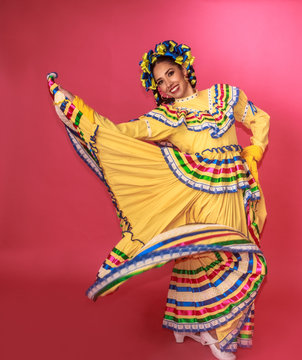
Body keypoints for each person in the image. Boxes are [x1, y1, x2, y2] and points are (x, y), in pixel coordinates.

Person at [47, 40, 270, 360]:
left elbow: (259, 118)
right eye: (161, 82)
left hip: (235, 186)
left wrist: (256, 148)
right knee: (224, 254)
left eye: (170, 73)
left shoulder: (223, 95)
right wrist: (80, 113)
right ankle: (222, 337)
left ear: (184, 67)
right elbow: (123, 133)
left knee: (200, 254)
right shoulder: (166, 116)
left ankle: (187, 323)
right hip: (200, 194)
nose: (168, 83)